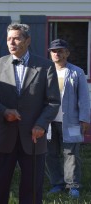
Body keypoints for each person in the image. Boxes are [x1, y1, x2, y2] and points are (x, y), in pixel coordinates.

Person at [0, 23, 60, 204]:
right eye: (8, 39)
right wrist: (4, 112)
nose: (11, 42)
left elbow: (52, 102)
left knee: (32, 189)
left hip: (34, 137)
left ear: (27, 41)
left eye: (16, 38)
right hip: (5, 137)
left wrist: (41, 124)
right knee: (0, 185)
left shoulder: (45, 66)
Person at [46, 39, 90, 198]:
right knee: (51, 154)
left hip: (70, 120)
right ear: (50, 54)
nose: (56, 53)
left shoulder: (76, 72)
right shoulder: (46, 71)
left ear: (67, 53)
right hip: (49, 121)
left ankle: (73, 186)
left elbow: (84, 98)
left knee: (71, 154)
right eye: (53, 51)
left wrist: (85, 119)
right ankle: (57, 183)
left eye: (60, 50)